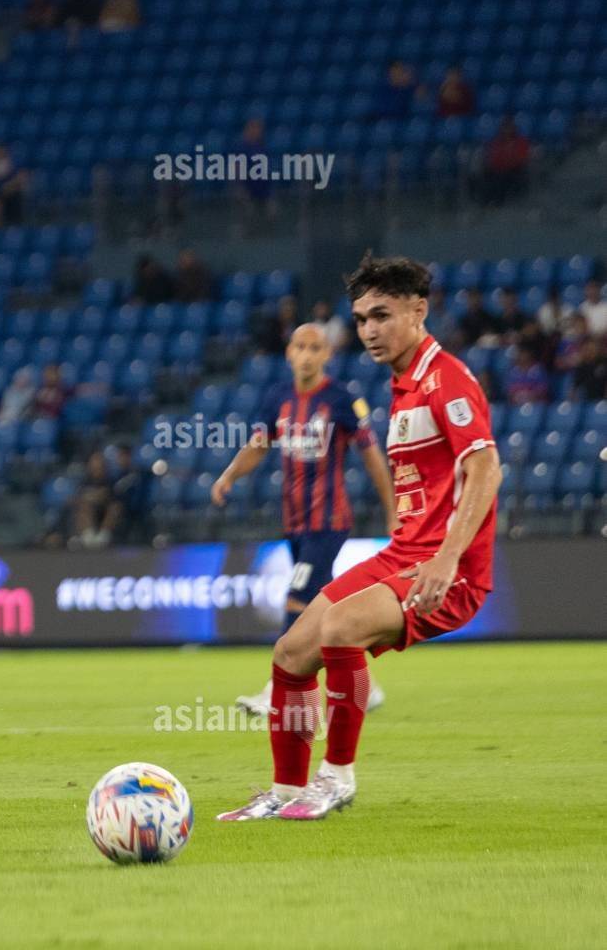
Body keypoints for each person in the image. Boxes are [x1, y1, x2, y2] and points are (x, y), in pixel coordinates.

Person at [218, 255, 501, 821]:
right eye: (361, 319)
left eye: (382, 315)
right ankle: (287, 791)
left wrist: (447, 558)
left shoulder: (445, 378)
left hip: (449, 569)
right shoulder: (400, 384)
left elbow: (487, 467)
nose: (370, 330)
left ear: (418, 311)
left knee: (342, 627)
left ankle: (337, 777)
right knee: (290, 652)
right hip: (404, 554)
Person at [212, 323, 398, 718]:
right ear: (289, 353)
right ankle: (367, 687)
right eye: (301, 346)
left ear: (327, 354)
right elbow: (258, 446)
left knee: (296, 598)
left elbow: (371, 457)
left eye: (316, 348)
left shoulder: (341, 399)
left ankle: (276, 689)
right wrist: (229, 475)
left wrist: (391, 510)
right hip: (295, 522)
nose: (308, 355)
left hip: (329, 521)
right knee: (326, 609)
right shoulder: (278, 398)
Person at [479, 115, 530, 204]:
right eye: (504, 128)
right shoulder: (496, 142)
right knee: (489, 175)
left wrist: (508, 160)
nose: (506, 130)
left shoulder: (521, 142)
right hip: (499, 171)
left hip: (515, 171)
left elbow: (521, 159)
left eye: (509, 128)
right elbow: (493, 158)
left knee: (506, 177)